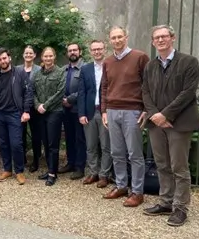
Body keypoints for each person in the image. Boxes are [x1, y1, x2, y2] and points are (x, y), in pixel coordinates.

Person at [142, 25, 199, 226]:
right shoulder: (150, 66)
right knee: (162, 165)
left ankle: (180, 208)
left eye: (164, 36)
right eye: (156, 37)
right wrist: (154, 115)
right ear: (152, 42)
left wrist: (165, 114)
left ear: (172, 38)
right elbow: (146, 93)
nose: (160, 40)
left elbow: (188, 92)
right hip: (156, 124)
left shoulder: (189, 62)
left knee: (179, 167)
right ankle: (166, 201)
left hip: (179, 123)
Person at [101, 25, 150, 207]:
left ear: (126, 37)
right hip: (112, 111)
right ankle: (121, 186)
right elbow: (104, 87)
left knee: (134, 153)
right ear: (110, 40)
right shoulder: (108, 61)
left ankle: (137, 191)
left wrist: (145, 108)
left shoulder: (140, 57)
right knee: (116, 152)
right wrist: (104, 111)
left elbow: (148, 84)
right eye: (113, 38)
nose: (117, 40)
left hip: (132, 111)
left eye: (120, 37)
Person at [0, 48, 32, 185]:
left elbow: (28, 92)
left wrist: (26, 111)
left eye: (4, 58)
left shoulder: (20, 73)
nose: (2, 61)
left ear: (9, 58)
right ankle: (7, 169)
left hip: (15, 114)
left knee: (16, 144)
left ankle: (19, 171)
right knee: (3, 144)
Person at [77, 40, 113, 188]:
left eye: (99, 49)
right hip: (90, 111)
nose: (97, 52)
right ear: (90, 52)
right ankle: (93, 172)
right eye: (94, 50)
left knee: (106, 146)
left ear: (104, 49)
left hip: (106, 112)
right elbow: (81, 92)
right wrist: (81, 113)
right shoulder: (85, 69)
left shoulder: (111, 66)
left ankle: (104, 175)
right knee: (91, 145)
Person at [32, 47, 65, 186]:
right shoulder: (37, 74)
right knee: (45, 143)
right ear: (42, 58)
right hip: (40, 113)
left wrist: (45, 105)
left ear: (54, 57)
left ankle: (52, 173)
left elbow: (60, 92)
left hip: (54, 112)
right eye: (46, 56)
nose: (48, 58)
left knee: (53, 144)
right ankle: (49, 169)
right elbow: (32, 92)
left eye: (50, 56)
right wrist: (38, 105)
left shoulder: (60, 72)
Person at [59, 43, 87, 180]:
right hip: (65, 110)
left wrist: (69, 99)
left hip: (78, 109)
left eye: (75, 50)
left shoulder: (85, 68)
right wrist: (62, 99)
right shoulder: (63, 69)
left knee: (80, 138)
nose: (72, 52)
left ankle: (80, 167)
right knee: (69, 138)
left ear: (80, 52)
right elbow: (59, 88)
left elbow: (84, 89)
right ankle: (70, 163)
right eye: (70, 51)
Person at [18, 45, 41, 172]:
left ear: (34, 55)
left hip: (35, 107)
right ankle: (22, 158)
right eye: (26, 53)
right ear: (23, 55)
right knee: (20, 134)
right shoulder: (17, 69)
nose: (28, 55)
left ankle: (36, 160)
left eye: (30, 53)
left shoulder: (39, 69)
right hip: (20, 107)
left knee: (36, 135)